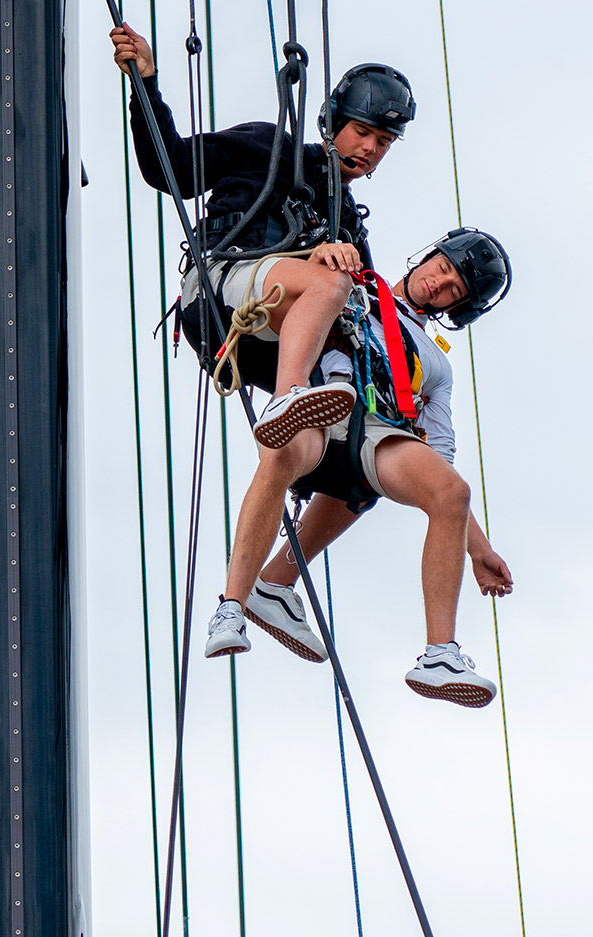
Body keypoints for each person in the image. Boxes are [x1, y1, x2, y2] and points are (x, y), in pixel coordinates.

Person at [203, 228, 517, 709]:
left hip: (374, 430)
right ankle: (231, 605)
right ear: (427, 257)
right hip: (317, 408)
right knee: (284, 452)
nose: (440, 283)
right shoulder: (353, 285)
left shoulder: (435, 365)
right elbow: (299, 280)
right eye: (443, 268)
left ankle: (439, 654)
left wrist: (480, 549)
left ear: (457, 309)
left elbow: (442, 457)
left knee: (450, 491)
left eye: (454, 289)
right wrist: (323, 251)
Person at [111, 24, 416, 449]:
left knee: (355, 433)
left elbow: (376, 312)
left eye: (383, 142)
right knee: (334, 281)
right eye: (362, 132)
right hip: (223, 292)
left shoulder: (349, 227)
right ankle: (286, 399)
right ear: (334, 121)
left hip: (277, 344)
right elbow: (172, 168)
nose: (369, 148)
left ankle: (311, 464)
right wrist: (146, 83)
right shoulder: (268, 147)